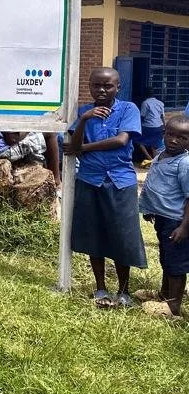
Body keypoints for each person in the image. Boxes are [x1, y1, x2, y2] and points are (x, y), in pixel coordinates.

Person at [65, 67, 146, 309]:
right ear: (89, 86)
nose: (101, 90)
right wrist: (85, 119)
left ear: (118, 87)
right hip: (90, 180)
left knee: (122, 235)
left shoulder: (128, 109)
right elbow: (74, 142)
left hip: (121, 181)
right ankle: (100, 287)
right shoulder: (83, 112)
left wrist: (84, 149)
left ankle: (123, 290)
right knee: (94, 234)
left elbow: (121, 140)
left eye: (107, 86)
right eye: (96, 85)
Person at [138, 115, 189, 318]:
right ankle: (165, 294)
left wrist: (184, 227)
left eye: (182, 138)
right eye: (170, 134)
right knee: (166, 257)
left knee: (176, 263)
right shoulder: (161, 155)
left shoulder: (184, 163)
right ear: (164, 134)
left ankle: (173, 306)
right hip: (163, 218)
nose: (174, 140)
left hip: (176, 221)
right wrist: (149, 208)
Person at [136, 89, 165, 163]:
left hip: (148, 126)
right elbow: (162, 116)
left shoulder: (145, 103)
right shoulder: (160, 103)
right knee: (154, 145)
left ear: (145, 95)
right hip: (159, 126)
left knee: (139, 142)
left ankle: (149, 158)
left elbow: (142, 116)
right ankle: (156, 161)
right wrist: (164, 127)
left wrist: (138, 126)